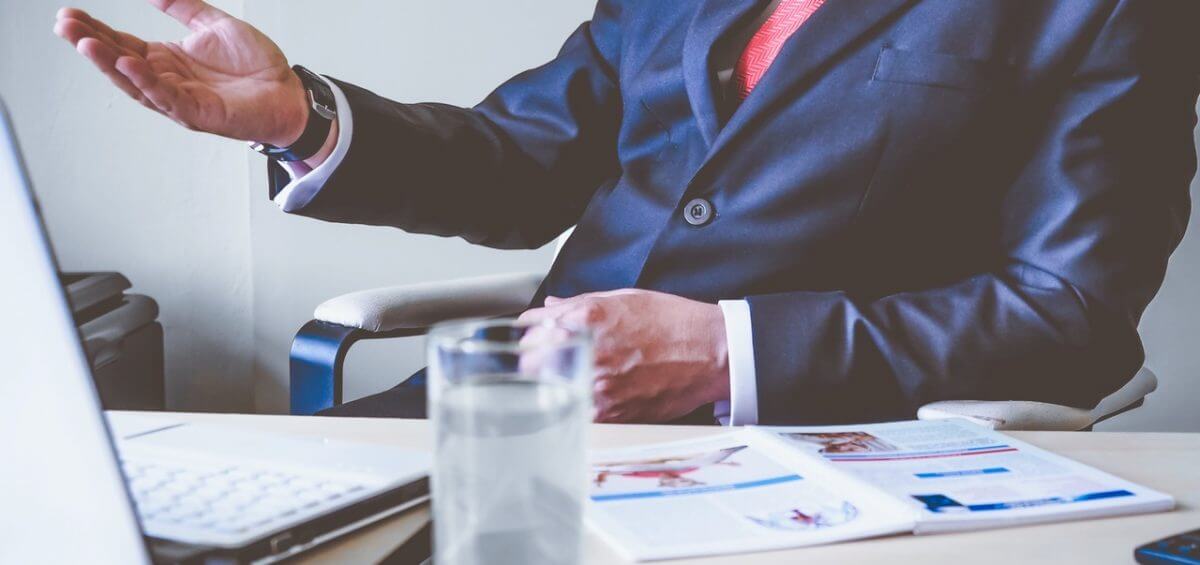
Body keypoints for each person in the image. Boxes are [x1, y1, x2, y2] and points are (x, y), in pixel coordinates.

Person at [54, 0, 1200, 425]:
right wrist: (301, 116)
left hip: (806, 452)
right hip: (512, 408)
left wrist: (723, 353)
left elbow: (1072, 311)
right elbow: (520, 164)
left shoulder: (1107, 11)